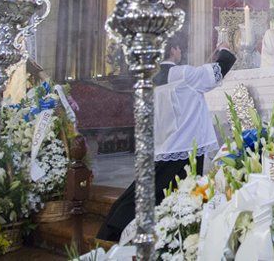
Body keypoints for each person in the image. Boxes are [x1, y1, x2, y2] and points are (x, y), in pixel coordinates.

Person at [96, 47, 237, 243]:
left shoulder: (154, 77)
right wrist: (225, 51)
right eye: (179, 48)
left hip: (165, 144)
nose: (181, 52)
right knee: (164, 194)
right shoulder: (182, 73)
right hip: (185, 145)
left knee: (152, 190)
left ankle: (120, 227)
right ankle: (116, 228)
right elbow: (217, 71)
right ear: (173, 50)